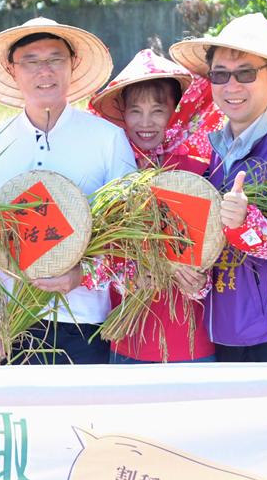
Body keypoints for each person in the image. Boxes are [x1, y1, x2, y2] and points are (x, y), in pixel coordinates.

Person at [0, 17, 137, 365]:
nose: (44, 70)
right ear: (12, 70)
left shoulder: (107, 139)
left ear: (72, 66)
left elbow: (131, 240)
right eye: (31, 60)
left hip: (84, 323)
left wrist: (80, 276)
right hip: (6, 327)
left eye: (55, 58)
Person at [170, 12, 267, 362]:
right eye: (220, 75)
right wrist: (192, 274)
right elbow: (210, 244)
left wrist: (245, 223)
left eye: (245, 73)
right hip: (221, 333)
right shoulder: (214, 151)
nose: (231, 87)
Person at [89, 48, 225, 363]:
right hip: (128, 338)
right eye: (135, 111)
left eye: (158, 110)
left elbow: (216, 250)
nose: (146, 122)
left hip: (191, 340)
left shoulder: (198, 171)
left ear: (175, 110)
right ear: (121, 112)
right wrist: (127, 276)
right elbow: (98, 251)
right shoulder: (116, 172)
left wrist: (199, 281)